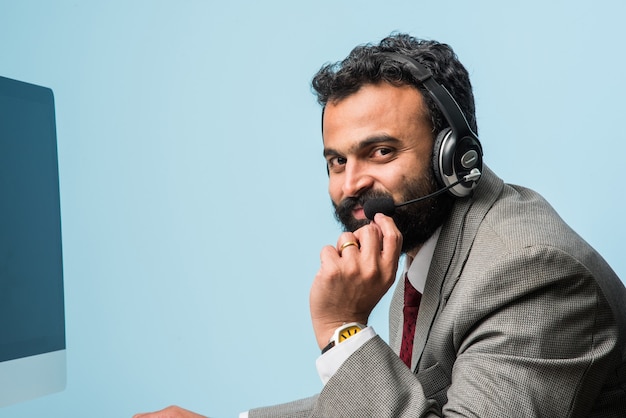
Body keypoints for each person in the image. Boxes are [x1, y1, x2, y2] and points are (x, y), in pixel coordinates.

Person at [134, 33, 626, 417]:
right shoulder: (425, 243)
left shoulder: (530, 272)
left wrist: (342, 330)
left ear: (455, 157)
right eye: (336, 162)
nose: (351, 184)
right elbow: (396, 399)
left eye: (380, 151)